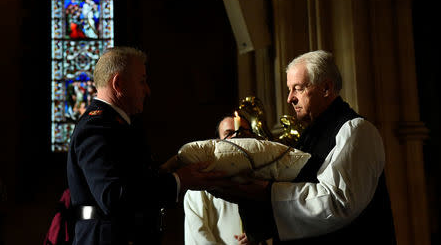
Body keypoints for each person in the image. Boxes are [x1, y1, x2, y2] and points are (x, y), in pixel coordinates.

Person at [217, 50, 395, 245]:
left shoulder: (356, 130)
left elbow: (339, 203)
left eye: (298, 89)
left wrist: (266, 191)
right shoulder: (310, 134)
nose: (289, 98)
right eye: (289, 89)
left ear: (326, 88)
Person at [67, 47, 226, 245]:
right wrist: (177, 181)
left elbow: (130, 180)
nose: (147, 90)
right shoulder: (96, 127)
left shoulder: (115, 124)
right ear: (118, 83)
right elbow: (112, 197)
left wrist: (165, 171)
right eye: (142, 81)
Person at [184, 115, 255, 245]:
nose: (237, 137)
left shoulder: (266, 179)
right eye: (229, 133)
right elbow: (199, 237)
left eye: (243, 132)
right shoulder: (200, 188)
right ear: (218, 142)